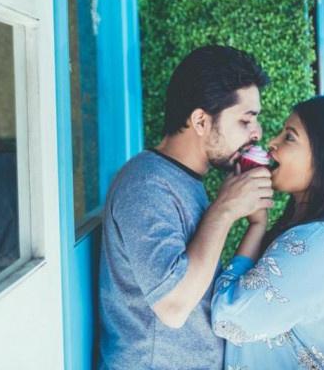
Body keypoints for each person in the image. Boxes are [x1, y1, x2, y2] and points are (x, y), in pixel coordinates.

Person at [98, 45, 273, 370]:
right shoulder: (145, 185)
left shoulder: (185, 182)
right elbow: (173, 305)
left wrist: (252, 222)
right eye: (245, 121)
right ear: (200, 121)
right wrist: (223, 211)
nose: (256, 134)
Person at [211, 95, 324, 369]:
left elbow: (228, 318)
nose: (271, 143)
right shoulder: (323, 236)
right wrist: (258, 224)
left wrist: (231, 214)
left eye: (289, 137)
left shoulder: (322, 243)